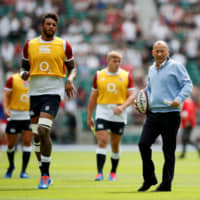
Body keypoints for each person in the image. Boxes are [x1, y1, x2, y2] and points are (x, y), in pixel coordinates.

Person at [21, 13, 77, 189]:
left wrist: (70, 80)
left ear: (56, 27)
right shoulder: (30, 44)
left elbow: (73, 67)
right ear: (42, 26)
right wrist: (23, 74)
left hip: (53, 92)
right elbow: (23, 66)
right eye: (48, 24)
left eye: (54, 24)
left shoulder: (63, 44)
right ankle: (44, 170)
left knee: (44, 130)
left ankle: (44, 176)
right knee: (36, 136)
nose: (51, 27)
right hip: (34, 93)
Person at [136, 40, 193, 192]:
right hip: (153, 114)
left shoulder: (176, 66)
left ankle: (166, 184)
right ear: (153, 53)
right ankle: (149, 179)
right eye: (157, 51)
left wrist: (178, 100)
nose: (160, 53)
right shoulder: (151, 69)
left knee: (168, 150)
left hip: (171, 114)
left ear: (168, 52)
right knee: (143, 144)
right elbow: (149, 88)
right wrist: (140, 100)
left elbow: (188, 84)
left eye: (163, 51)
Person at [87, 51, 135, 181]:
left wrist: (122, 107)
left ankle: (113, 171)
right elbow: (93, 96)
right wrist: (89, 115)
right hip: (103, 110)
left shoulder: (126, 75)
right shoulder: (99, 75)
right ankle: (99, 172)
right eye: (114, 61)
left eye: (119, 61)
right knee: (102, 141)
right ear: (108, 61)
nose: (117, 63)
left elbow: (132, 95)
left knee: (115, 145)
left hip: (119, 112)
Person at [2, 72, 32, 178]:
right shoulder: (13, 79)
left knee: (27, 142)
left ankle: (23, 171)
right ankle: (11, 166)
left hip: (28, 115)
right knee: (10, 145)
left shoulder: (34, 78)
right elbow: (5, 95)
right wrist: (5, 108)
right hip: (14, 115)